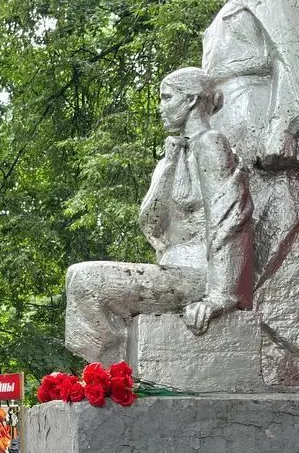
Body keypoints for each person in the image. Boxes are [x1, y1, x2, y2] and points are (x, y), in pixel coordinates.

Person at [65, 66, 255, 364]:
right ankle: (111, 373)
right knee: (81, 278)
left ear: (191, 100)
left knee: (85, 279)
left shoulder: (211, 143)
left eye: (167, 98)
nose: (161, 107)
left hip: (199, 276)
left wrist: (219, 297)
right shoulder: (171, 156)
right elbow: (153, 227)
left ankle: (111, 374)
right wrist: (168, 164)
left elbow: (229, 221)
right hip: (172, 270)